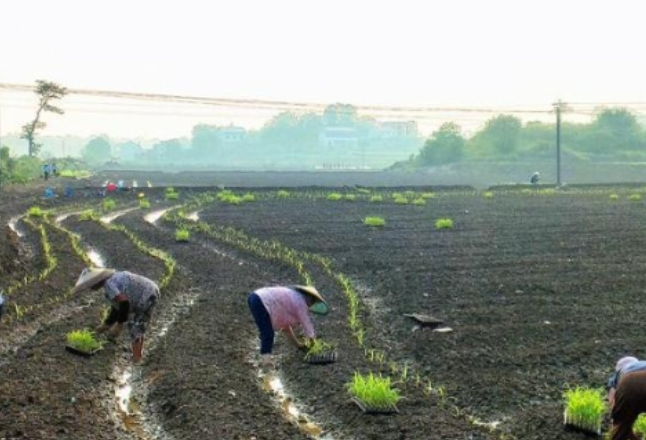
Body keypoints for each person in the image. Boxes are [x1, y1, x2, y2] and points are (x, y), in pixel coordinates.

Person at [72, 268, 160, 363]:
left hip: (146, 295)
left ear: (97, 281)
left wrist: (119, 325)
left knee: (136, 327)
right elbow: (117, 307)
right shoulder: (113, 279)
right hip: (151, 290)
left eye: (90, 284)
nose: (90, 287)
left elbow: (124, 303)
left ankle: (136, 358)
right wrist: (106, 325)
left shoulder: (109, 285)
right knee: (139, 325)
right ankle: (137, 355)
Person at [248, 285, 328, 368]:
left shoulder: (292, 299)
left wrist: (298, 345)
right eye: (312, 303)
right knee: (267, 332)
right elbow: (306, 323)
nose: (310, 306)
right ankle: (266, 362)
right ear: (310, 299)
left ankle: (266, 360)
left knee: (267, 331)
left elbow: (286, 328)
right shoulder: (300, 302)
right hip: (261, 299)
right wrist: (313, 342)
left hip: (255, 298)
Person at [607, 356, 646, 440]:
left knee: (620, 427)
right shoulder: (642, 363)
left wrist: (615, 418)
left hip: (630, 381)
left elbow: (612, 402)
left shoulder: (619, 374)